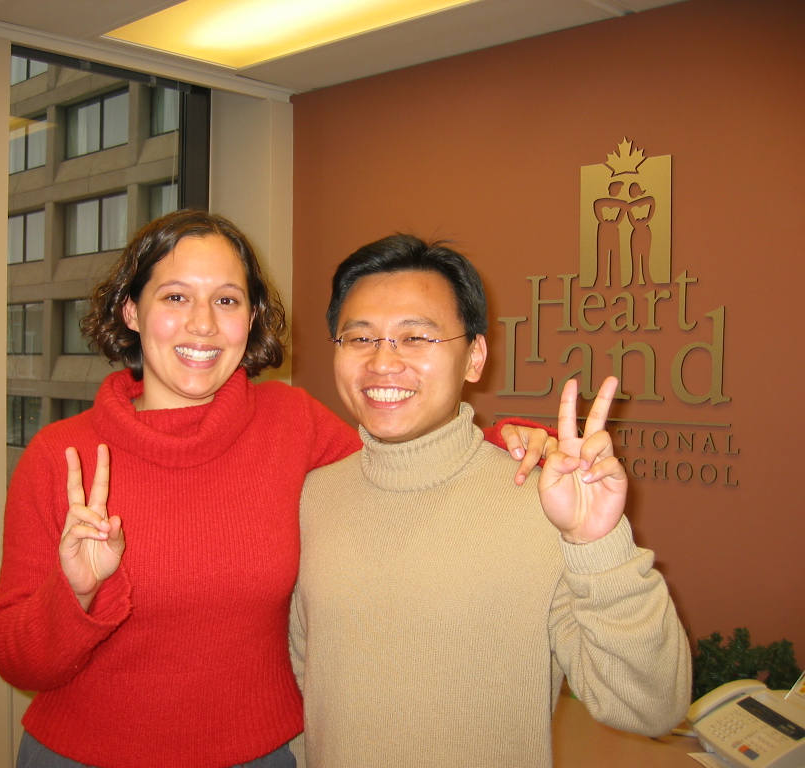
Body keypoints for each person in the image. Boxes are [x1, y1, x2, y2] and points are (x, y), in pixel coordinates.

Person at [0, 211, 550, 768]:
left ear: (251, 316)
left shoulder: (290, 422)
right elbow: (17, 661)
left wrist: (507, 441)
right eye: (175, 297)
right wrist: (75, 595)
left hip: (258, 755)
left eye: (227, 300)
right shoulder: (62, 457)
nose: (202, 323)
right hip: (82, 756)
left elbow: (400, 462)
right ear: (132, 311)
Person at [289, 234, 691, 767]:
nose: (383, 362)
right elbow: (304, 688)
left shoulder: (541, 507)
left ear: (474, 357)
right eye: (359, 338)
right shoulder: (313, 496)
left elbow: (651, 708)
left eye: (416, 337)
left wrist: (598, 545)